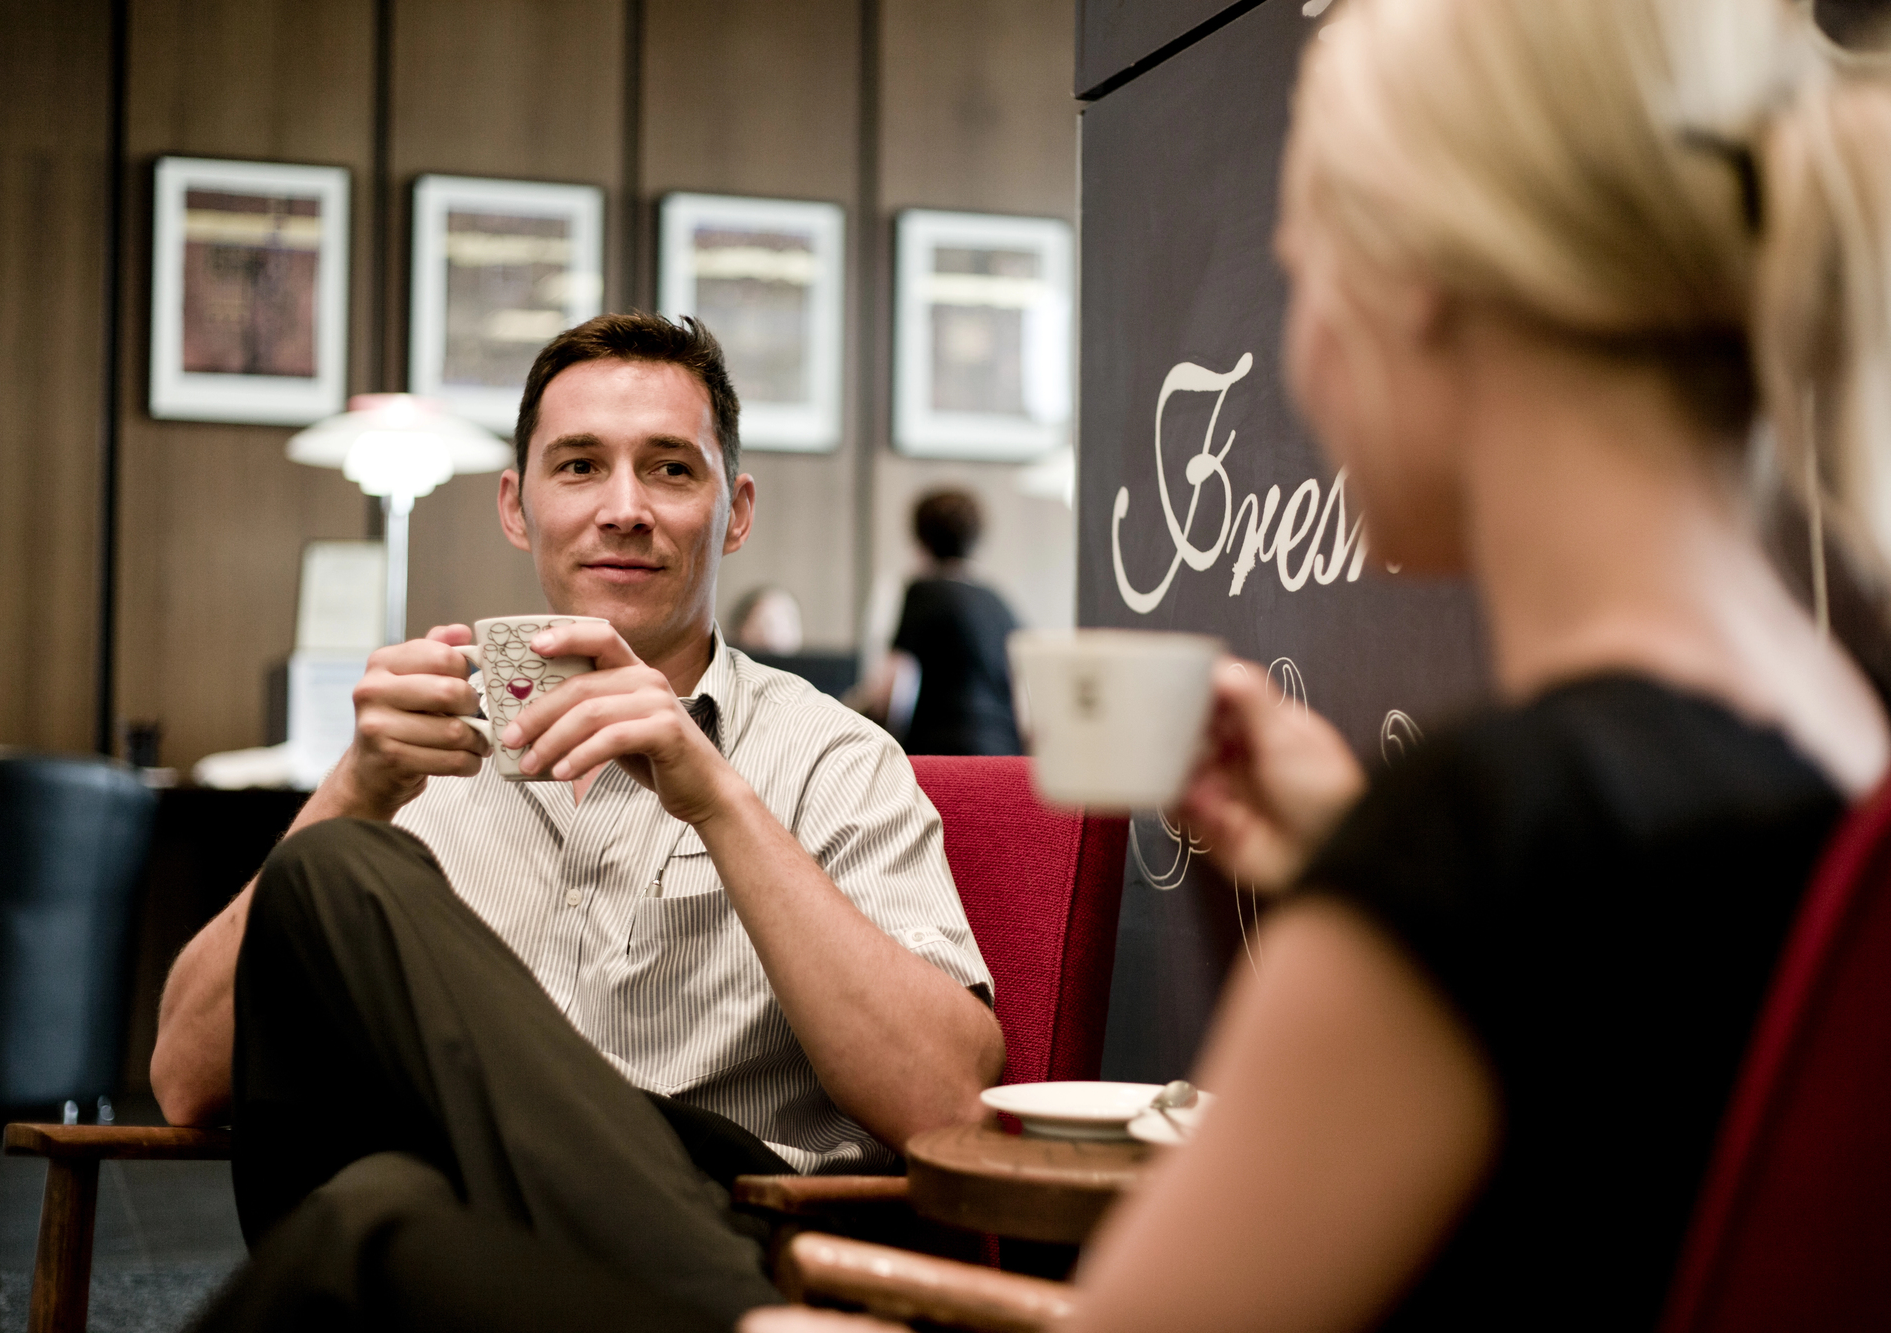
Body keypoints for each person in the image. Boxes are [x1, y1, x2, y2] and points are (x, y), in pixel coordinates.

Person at [756, 2, 1891, 1331]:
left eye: (1300, 276)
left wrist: (1394, 882)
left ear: (1412, 287)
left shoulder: (1484, 843)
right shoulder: (1828, 734)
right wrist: (1354, 866)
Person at [150, 313, 1004, 1331]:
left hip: (719, 1209)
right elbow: (183, 1082)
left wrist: (712, 793)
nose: (623, 508)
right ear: (518, 507)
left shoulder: (832, 757)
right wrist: (353, 787)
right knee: (335, 893)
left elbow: (945, 1102)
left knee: (358, 1221)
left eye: (671, 471)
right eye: (579, 465)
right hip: (463, 1259)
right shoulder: (421, 754)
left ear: (732, 512)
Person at [884, 489, 1023, 756]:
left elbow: (893, 685)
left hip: (942, 750)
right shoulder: (999, 601)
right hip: (1005, 751)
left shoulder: (923, 590)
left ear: (921, 540)